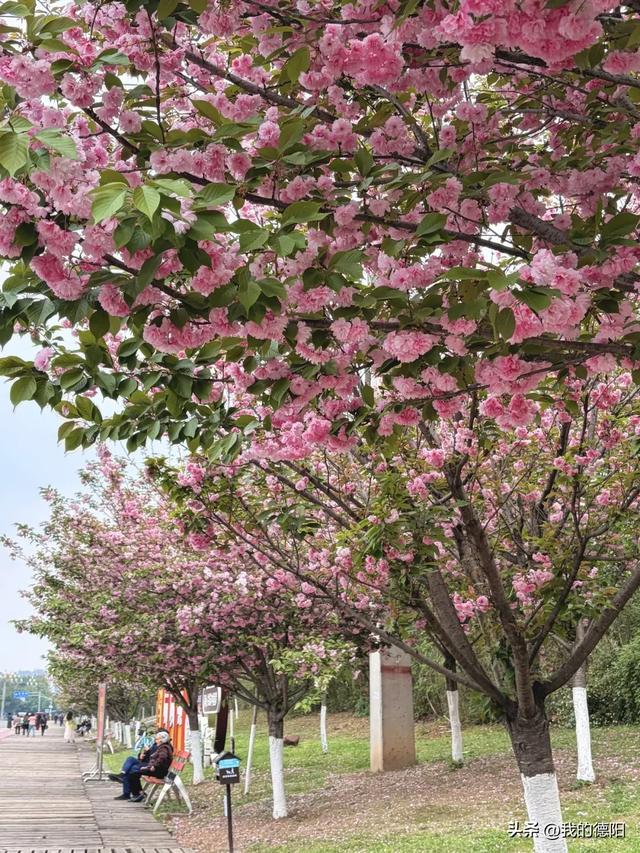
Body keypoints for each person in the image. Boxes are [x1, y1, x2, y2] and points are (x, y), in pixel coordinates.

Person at [113, 730, 173, 803]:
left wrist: (153, 765)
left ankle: (137, 793)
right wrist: (142, 755)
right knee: (131, 763)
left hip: (157, 770)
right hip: (152, 767)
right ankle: (135, 791)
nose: (155, 740)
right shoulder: (160, 746)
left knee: (133, 770)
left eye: (157, 739)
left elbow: (161, 758)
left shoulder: (164, 748)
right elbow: (151, 757)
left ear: (161, 740)